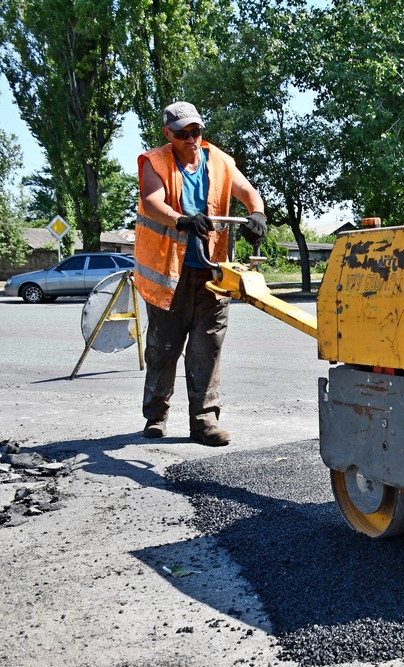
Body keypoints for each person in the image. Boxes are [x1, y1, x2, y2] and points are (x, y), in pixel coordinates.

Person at [134, 101, 268, 446]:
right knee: (163, 349)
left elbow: (248, 192)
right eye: (183, 134)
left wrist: (257, 214)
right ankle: (156, 416)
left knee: (206, 347)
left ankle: (204, 422)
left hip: (210, 273)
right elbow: (152, 202)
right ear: (168, 134)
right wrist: (182, 220)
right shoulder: (156, 162)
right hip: (170, 274)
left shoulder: (220, 162)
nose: (192, 138)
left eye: (196, 131)